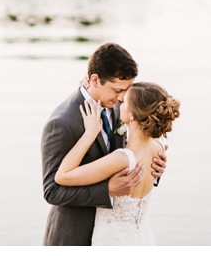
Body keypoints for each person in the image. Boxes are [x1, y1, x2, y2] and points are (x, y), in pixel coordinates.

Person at [41, 43, 167, 246]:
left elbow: (131, 155)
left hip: (117, 235)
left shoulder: (122, 109)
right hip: (74, 235)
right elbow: (52, 191)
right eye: (117, 90)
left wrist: (152, 169)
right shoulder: (62, 122)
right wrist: (107, 190)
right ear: (95, 80)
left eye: (126, 92)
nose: (121, 98)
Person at [55, 82, 180, 245]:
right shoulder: (159, 147)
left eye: (125, 102)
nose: (120, 101)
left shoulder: (122, 158)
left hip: (114, 240)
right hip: (143, 238)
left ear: (132, 116)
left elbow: (62, 176)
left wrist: (90, 134)